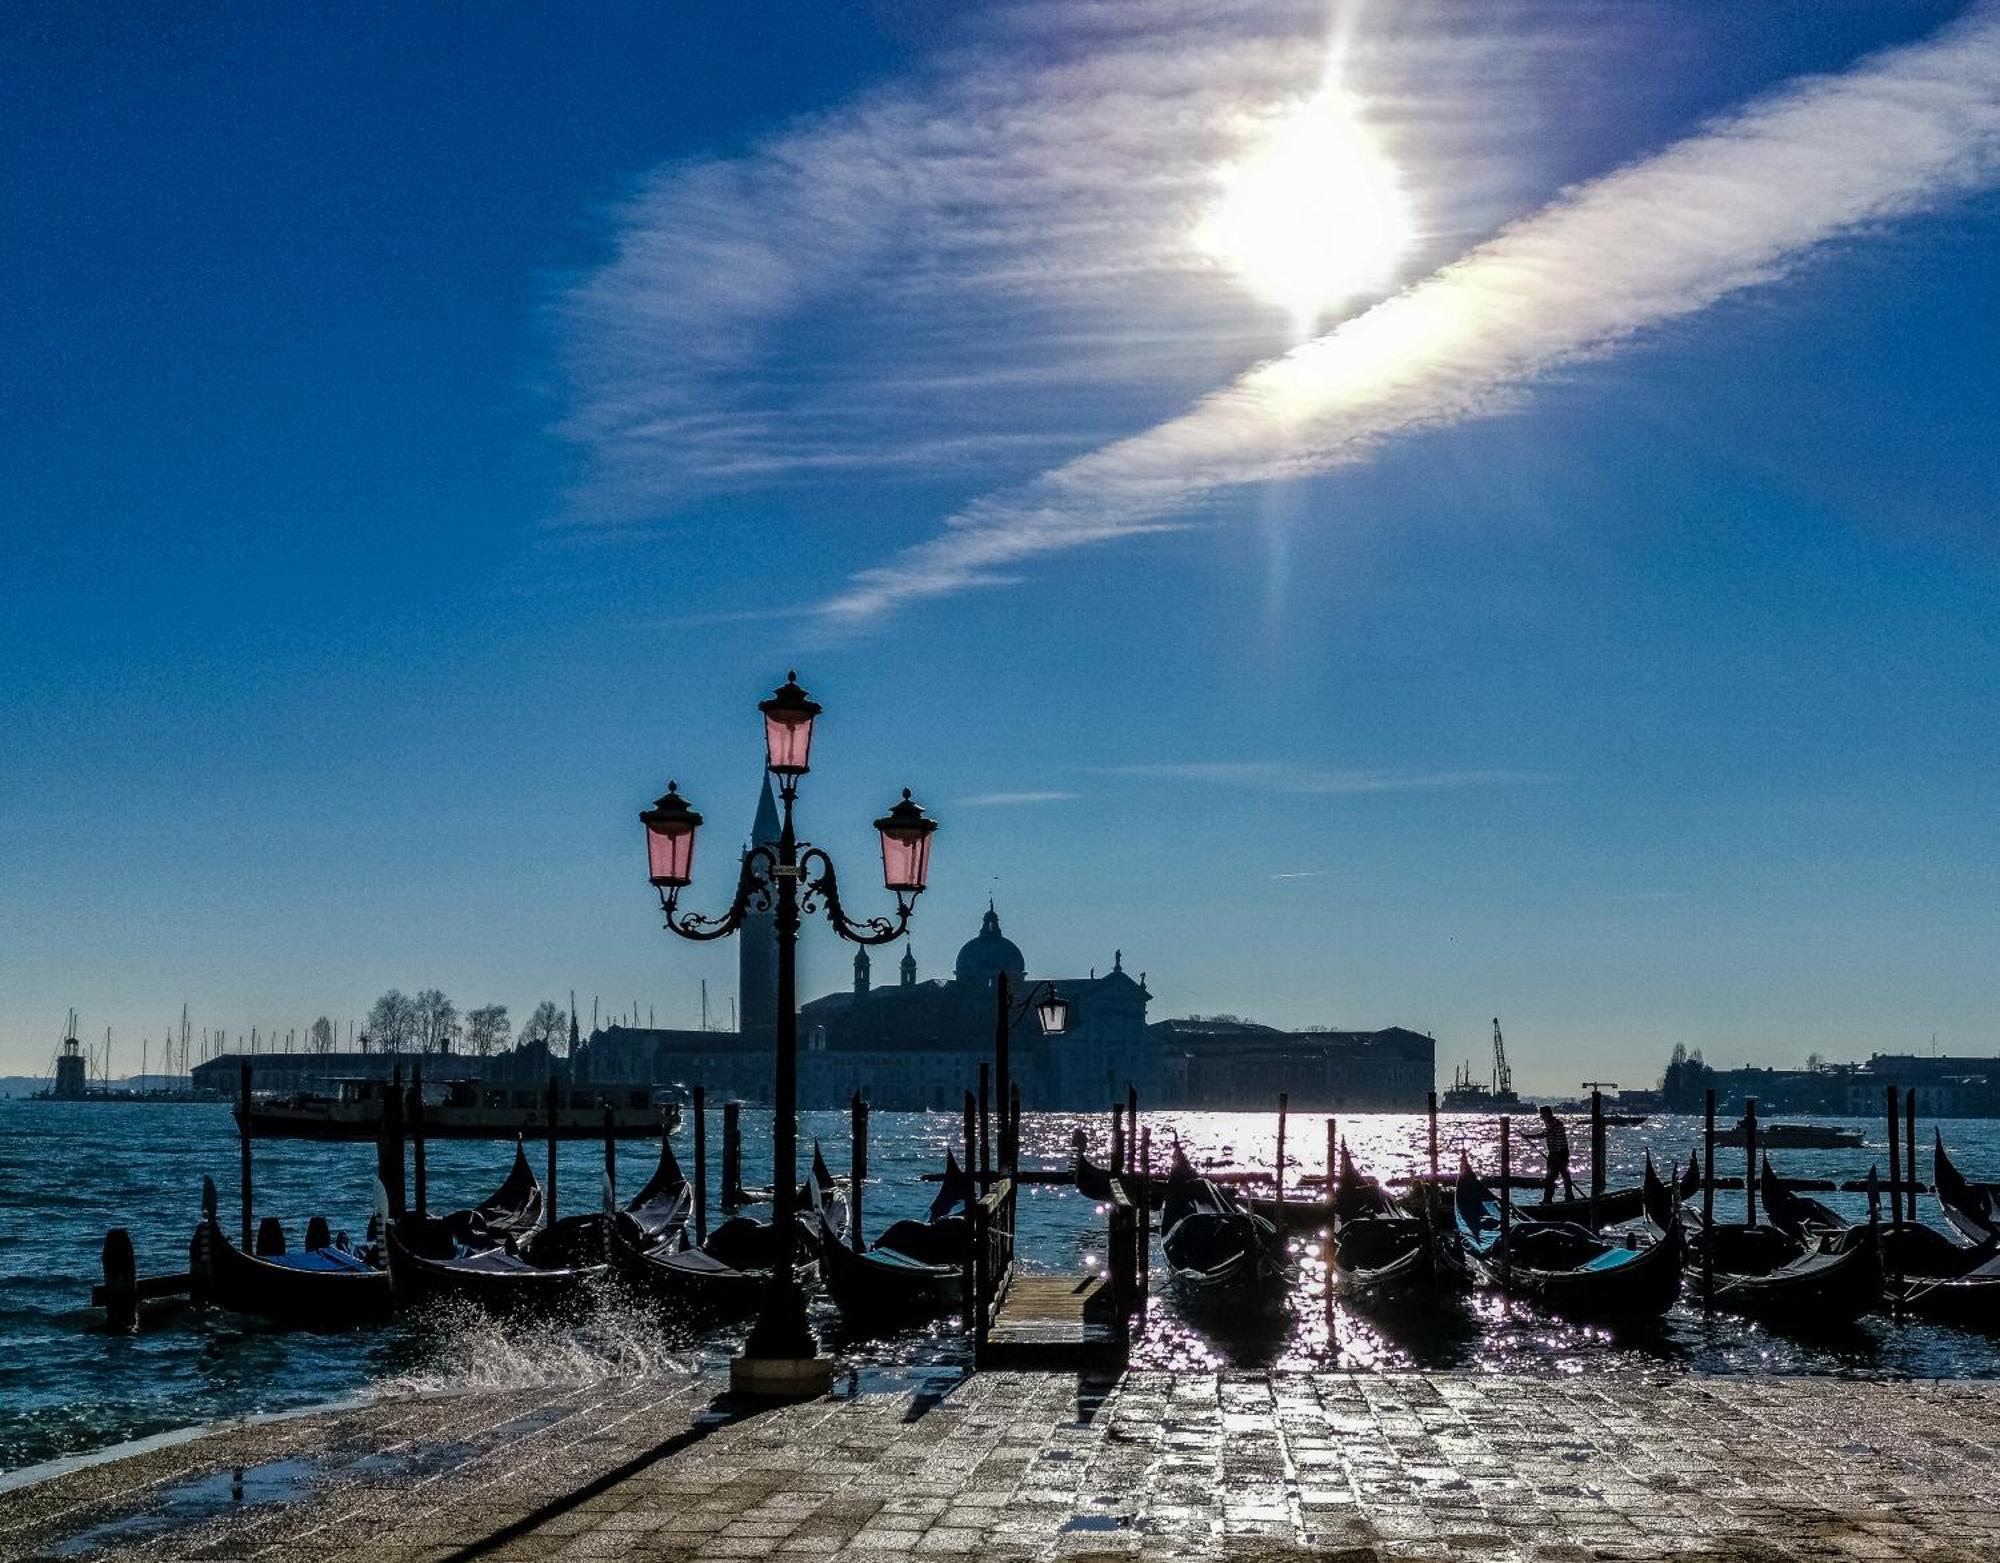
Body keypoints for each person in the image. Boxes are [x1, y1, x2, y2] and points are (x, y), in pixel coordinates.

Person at [1532, 1104, 1577, 1201]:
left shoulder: (1555, 1124)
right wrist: (1529, 1137)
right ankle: (1553, 1198)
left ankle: (1557, 1198)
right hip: (1555, 1153)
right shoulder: (1551, 1124)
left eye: (1542, 1115)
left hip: (1559, 1153)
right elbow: (1545, 1134)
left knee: (1554, 1176)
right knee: (1559, 1175)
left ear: (1547, 1114)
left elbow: (1557, 1140)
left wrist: (1555, 1156)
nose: (1541, 1117)